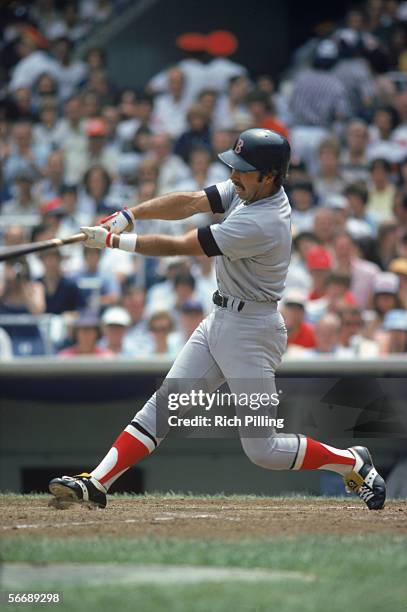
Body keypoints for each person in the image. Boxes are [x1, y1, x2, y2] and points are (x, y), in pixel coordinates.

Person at [48, 128, 386, 511]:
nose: (234, 175)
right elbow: (192, 201)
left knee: (264, 450)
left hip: (252, 332)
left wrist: (114, 242)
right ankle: (97, 482)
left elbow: (184, 246)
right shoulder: (249, 188)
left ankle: (352, 462)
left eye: (243, 170)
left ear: (269, 176)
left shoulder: (264, 221)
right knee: (164, 406)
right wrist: (128, 216)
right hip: (221, 317)